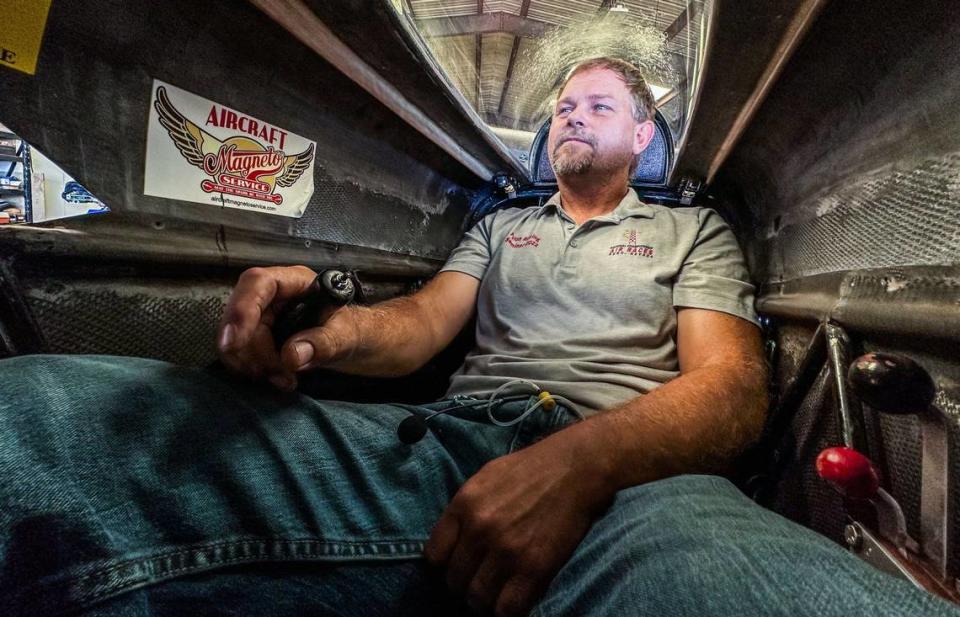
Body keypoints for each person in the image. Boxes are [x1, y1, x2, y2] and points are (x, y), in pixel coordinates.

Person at [0, 57, 956, 617]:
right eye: (561, 109)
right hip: (444, 447)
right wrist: (326, 335)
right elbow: (418, 328)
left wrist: (575, 467)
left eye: (595, 105)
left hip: (642, 481)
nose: (568, 117)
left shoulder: (689, 230)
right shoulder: (501, 226)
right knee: (38, 414)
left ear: (645, 135)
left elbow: (730, 388)